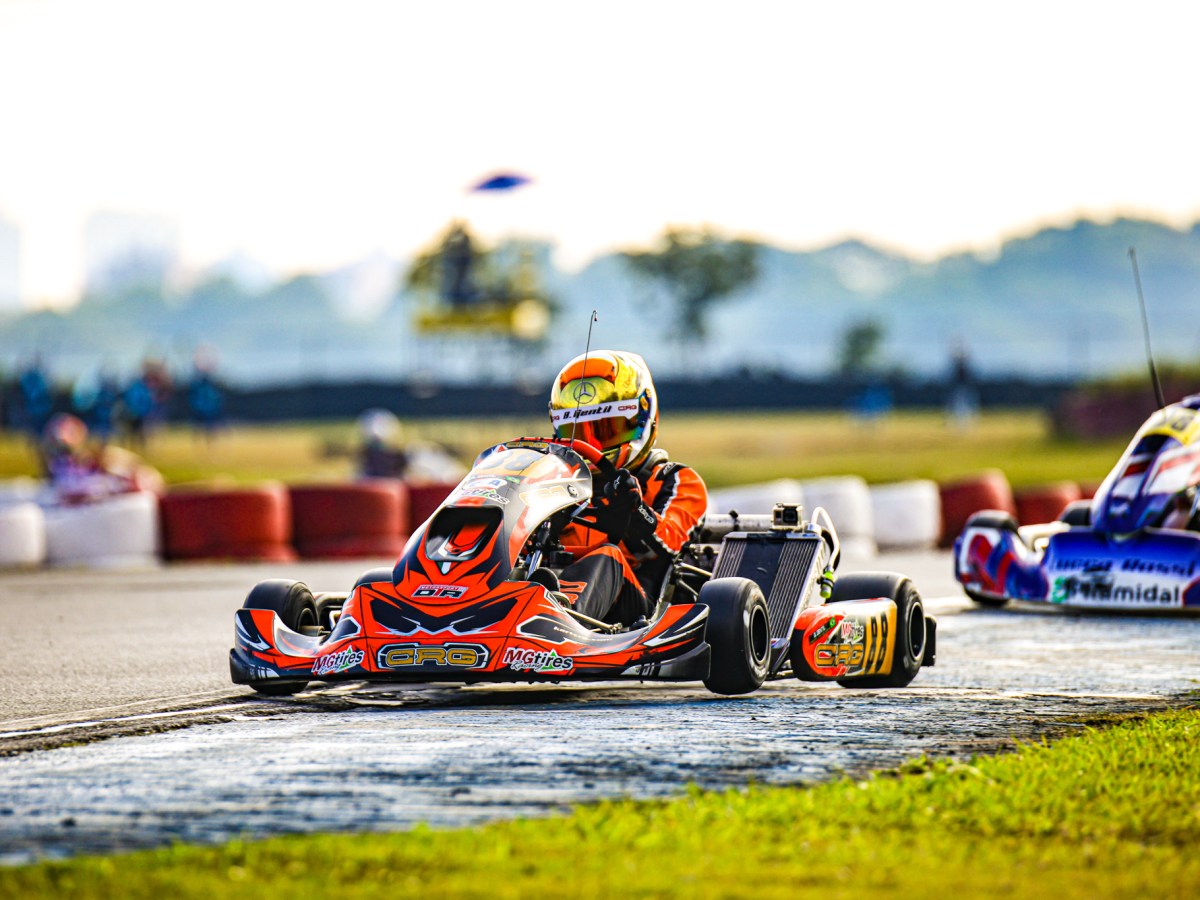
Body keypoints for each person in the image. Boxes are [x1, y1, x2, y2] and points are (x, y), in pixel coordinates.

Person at [547, 350, 708, 625]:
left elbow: (669, 542)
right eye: (581, 434)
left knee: (606, 558)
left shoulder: (677, 480)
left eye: (607, 431)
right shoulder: (558, 481)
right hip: (554, 585)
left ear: (642, 419)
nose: (593, 447)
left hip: (640, 609)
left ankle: (554, 626)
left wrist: (635, 510)